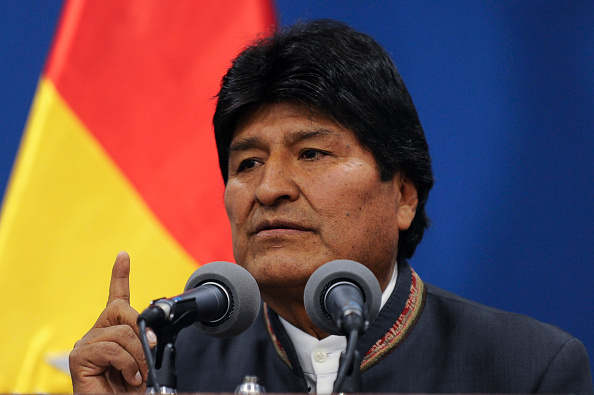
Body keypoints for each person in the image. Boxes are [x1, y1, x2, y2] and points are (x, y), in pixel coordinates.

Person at [69, 19, 593, 394]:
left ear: (403, 196)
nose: (270, 187)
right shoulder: (167, 369)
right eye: (247, 163)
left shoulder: (526, 369)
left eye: (312, 153)